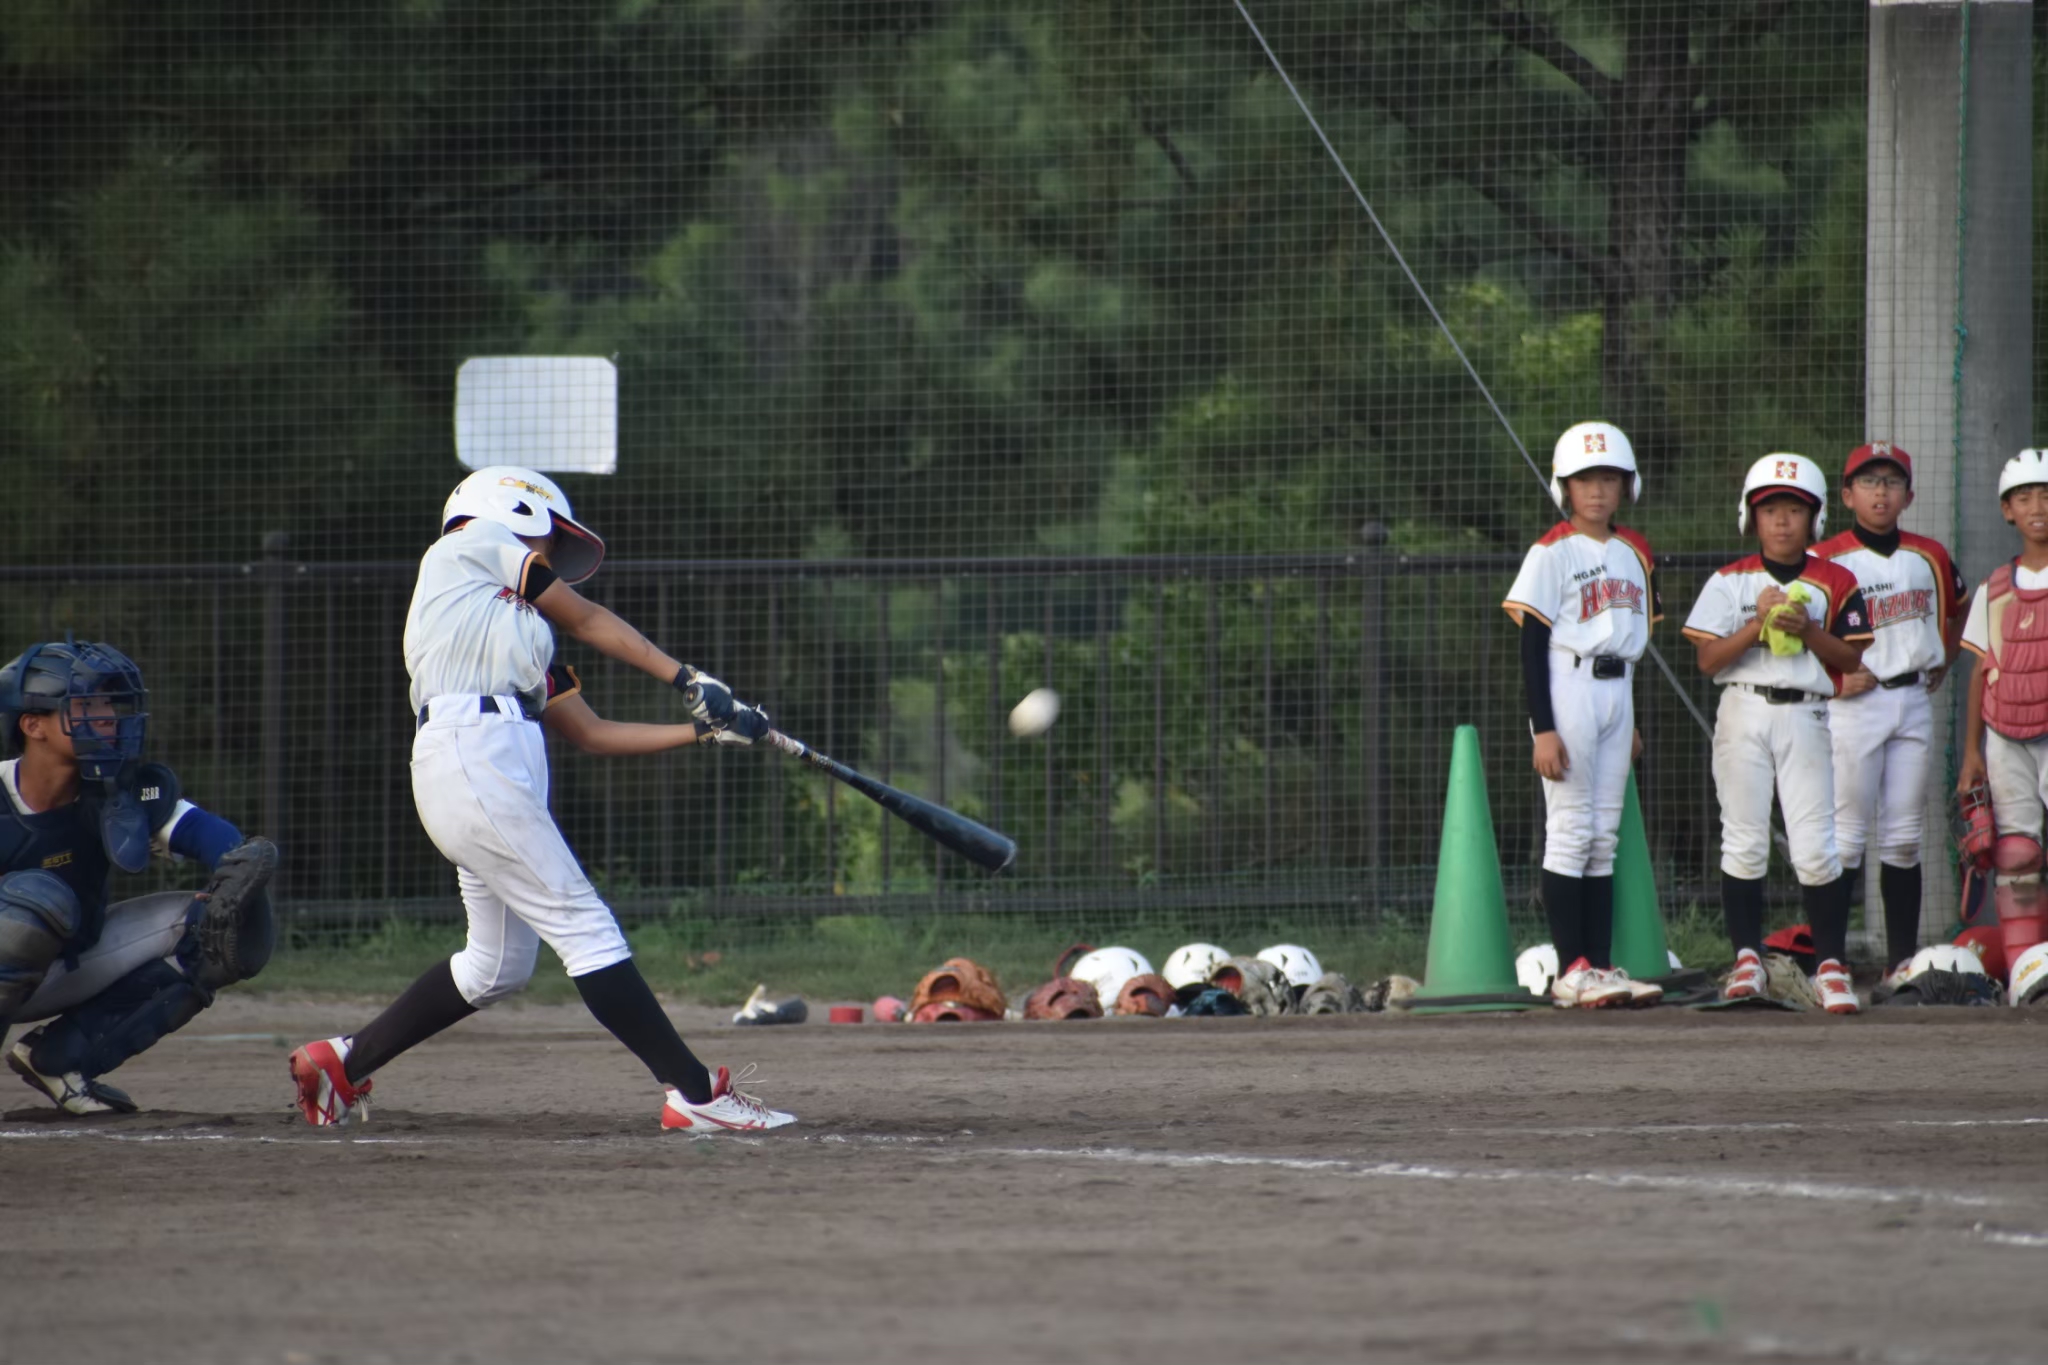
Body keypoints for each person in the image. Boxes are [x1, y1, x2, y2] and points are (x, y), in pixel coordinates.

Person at [287, 465, 794, 1132]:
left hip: (490, 763)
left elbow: (591, 732)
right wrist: (687, 678)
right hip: (473, 751)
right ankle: (696, 1094)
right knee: (586, 927)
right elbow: (586, 616)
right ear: (513, 510)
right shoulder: (469, 543)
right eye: (550, 539)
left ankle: (344, 1061)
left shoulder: (515, 631)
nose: (550, 554)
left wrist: (704, 731)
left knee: (496, 966)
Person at [0, 638, 277, 1113]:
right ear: (33, 725)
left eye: (108, 703)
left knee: (220, 927)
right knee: (34, 904)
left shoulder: (117, 791)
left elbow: (209, 836)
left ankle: (61, 1060)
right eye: (86, 705)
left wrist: (238, 867)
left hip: (65, 966)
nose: (107, 716)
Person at [1683, 454, 1872, 1012]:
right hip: (1743, 709)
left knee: (1815, 845)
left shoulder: (1836, 579)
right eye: (1770, 510)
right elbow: (1708, 661)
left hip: (1805, 712)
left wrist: (1807, 629)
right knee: (1743, 840)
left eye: (1794, 509)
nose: (1782, 521)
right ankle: (1747, 960)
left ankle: (1830, 967)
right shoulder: (1730, 580)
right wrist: (1755, 623)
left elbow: (1852, 658)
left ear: (1814, 517)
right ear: (1752, 516)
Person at [1501, 421, 1661, 1008]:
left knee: (1603, 835)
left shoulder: (1634, 551)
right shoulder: (1551, 551)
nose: (1596, 490)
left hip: (1618, 688)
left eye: (1609, 478)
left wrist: (1631, 718)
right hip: (1567, 684)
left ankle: (1599, 966)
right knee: (1570, 832)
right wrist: (1543, 728)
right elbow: (1531, 644)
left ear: (1627, 486)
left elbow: (1635, 640)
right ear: (1563, 487)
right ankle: (1572, 968)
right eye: (1584, 479)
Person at [1813, 443, 1966, 979]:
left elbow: (1960, 608)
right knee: (1846, 836)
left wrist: (1944, 655)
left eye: (1891, 481)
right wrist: (1832, 679)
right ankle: (1831, 962)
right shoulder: (1826, 559)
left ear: (1908, 495)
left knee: (1903, 838)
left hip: (1912, 699)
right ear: (1847, 495)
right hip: (1855, 705)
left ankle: (1899, 965)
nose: (1881, 492)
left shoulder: (1930, 555)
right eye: (1869, 481)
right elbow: (1798, 631)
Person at [1955, 448, 2048, 981]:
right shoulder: (1994, 587)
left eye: (2046, 495)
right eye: (2024, 497)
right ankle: (2024, 972)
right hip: (2004, 733)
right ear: (2007, 510)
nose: (2037, 507)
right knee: (2015, 854)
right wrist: (1971, 753)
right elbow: (1979, 670)